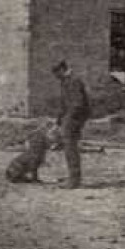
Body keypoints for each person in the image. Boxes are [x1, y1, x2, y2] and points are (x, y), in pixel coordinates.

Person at [52, 60, 91, 189]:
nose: (56, 77)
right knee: (68, 147)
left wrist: (68, 120)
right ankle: (72, 176)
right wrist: (58, 121)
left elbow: (78, 104)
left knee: (70, 148)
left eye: (56, 73)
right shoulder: (65, 81)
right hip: (69, 117)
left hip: (74, 118)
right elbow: (63, 104)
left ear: (62, 70)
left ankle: (74, 180)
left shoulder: (73, 81)